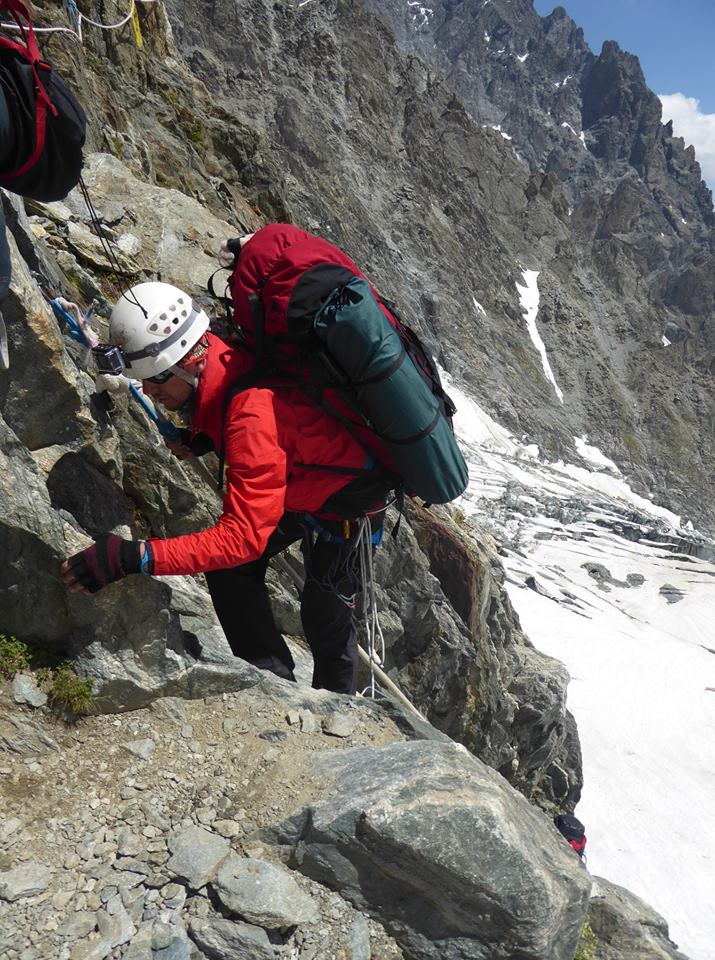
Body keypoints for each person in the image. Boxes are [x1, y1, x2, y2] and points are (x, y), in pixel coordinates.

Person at [61, 281, 389, 694]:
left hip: (345, 504)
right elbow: (235, 401)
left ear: (187, 362)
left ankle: (335, 711)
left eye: (157, 380)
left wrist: (133, 557)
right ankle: (273, 684)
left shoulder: (249, 419)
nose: (149, 391)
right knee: (231, 575)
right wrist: (204, 437)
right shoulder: (226, 350)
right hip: (295, 481)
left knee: (324, 614)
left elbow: (242, 538)